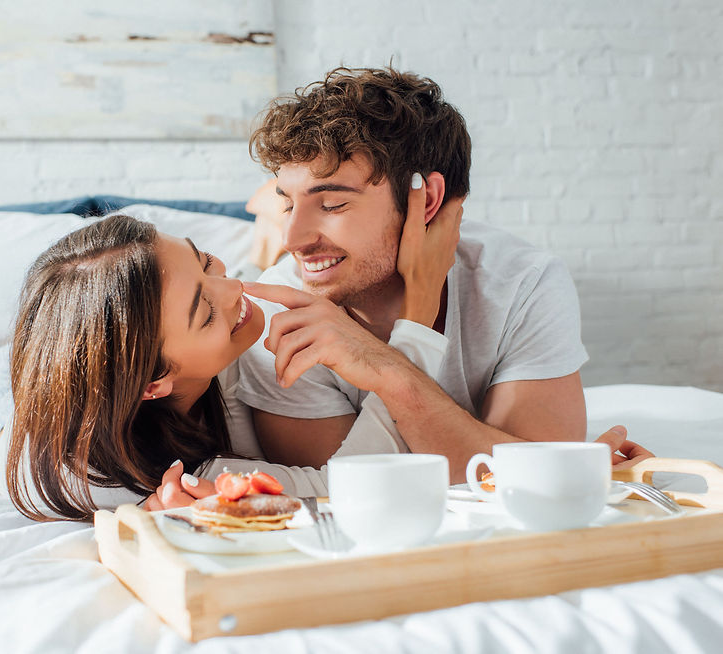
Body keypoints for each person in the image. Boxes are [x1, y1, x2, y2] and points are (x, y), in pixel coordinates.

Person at [0, 189, 477, 520]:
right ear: (153, 379)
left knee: (19, 367)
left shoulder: (137, 361)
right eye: (205, 307)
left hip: (55, 382)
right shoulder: (114, 476)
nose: (232, 287)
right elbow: (339, 487)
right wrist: (418, 312)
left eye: (206, 262)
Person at [206, 66, 650, 487]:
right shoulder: (280, 312)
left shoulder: (522, 283)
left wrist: (386, 366)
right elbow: (341, 495)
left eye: (332, 204)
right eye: (287, 202)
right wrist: (521, 461)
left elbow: (533, 491)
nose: (293, 239)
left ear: (428, 200)